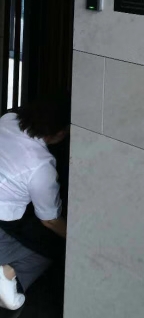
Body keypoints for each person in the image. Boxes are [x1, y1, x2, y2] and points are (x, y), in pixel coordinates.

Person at [0, 95, 69, 310]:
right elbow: (50, 220)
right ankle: (7, 273)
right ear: (59, 133)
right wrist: (75, 240)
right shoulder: (41, 167)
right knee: (51, 245)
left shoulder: (8, 119)